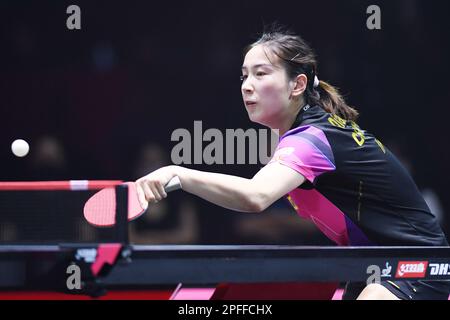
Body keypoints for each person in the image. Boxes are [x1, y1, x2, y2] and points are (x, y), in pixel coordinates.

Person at [134, 27, 450, 300]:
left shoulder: (311, 140)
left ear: (297, 85)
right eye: (244, 75)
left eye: (260, 73)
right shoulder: (307, 136)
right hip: (373, 264)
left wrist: (178, 173)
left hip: (415, 265)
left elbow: (255, 196)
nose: (246, 85)